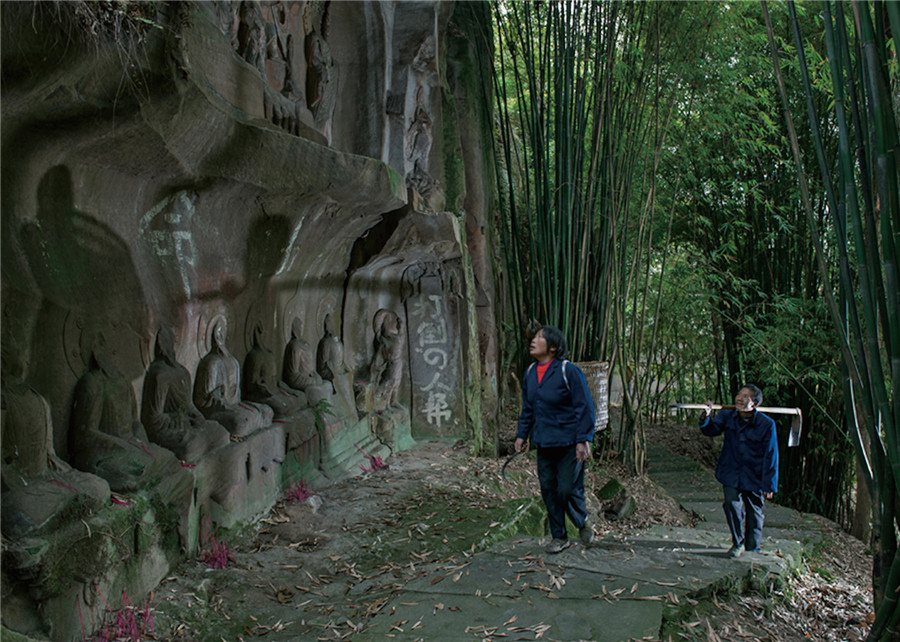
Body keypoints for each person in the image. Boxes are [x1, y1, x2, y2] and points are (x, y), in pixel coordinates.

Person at [515, 325, 596, 554]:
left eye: (540, 338)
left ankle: (582, 523)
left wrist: (583, 439)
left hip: (569, 442)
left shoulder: (567, 370)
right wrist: (522, 435)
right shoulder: (531, 372)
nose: (533, 340)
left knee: (567, 489)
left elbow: (585, 406)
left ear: (553, 347)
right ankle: (559, 537)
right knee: (549, 489)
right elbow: (528, 408)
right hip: (545, 442)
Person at [700, 384, 778, 558]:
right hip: (731, 471)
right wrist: (706, 416)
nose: (739, 399)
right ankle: (738, 542)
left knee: (754, 513)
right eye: (739, 394)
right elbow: (710, 430)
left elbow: (771, 455)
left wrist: (769, 484)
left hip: (754, 474)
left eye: (745, 397)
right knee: (731, 504)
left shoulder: (766, 424)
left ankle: (753, 548)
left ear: (755, 404)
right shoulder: (727, 415)